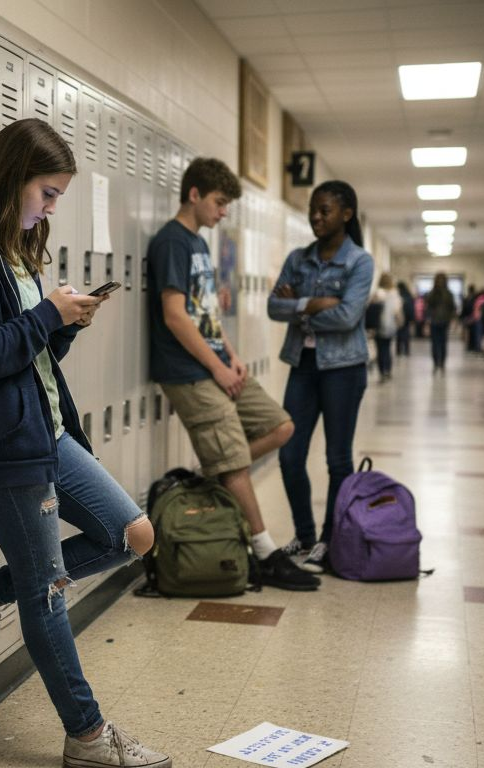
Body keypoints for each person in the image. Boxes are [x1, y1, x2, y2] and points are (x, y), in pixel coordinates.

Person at [0, 118, 170, 768]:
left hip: (46, 428)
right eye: (49, 192)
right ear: (14, 178)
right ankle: (87, 737)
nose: (52, 207)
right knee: (50, 588)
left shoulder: (15, 244)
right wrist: (45, 316)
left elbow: (27, 350)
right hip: (4, 443)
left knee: (131, 535)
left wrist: (65, 324)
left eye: (58, 196)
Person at [146, 157, 317, 592]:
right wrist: (218, 368)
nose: (223, 213)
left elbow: (207, 311)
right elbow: (175, 316)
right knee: (237, 460)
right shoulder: (172, 242)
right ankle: (265, 554)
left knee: (281, 427)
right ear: (194, 194)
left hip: (218, 361)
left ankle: (209, 476)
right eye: (220, 203)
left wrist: (234, 356)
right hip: (189, 371)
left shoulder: (200, 244)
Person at [268, 180, 375, 573]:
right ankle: (305, 534)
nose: (316, 216)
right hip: (304, 365)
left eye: (325, 210)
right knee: (290, 453)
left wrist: (296, 305)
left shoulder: (359, 262)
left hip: (343, 370)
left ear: (346, 214)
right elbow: (272, 307)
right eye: (313, 209)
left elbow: (349, 316)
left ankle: (330, 540)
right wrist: (314, 303)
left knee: (337, 458)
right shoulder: (299, 257)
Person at [372, 273, 403, 382]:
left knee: (380, 350)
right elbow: (397, 311)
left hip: (378, 325)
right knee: (388, 348)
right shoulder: (395, 294)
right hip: (391, 325)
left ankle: (382, 372)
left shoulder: (378, 293)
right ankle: (388, 370)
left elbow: (372, 309)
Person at [425, 273, 456, 375]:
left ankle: (440, 363)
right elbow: (428, 307)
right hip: (437, 321)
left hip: (441, 321)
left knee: (439, 343)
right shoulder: (435, 293)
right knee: (439, 343)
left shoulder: (445, 294)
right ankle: (438, 363)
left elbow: (452, 308)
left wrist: (452, 319)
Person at [395, 280, 415, 356]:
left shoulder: (398, 295)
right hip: (407, 317)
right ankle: (406, 350)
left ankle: (398, 351)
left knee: (399, 335)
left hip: (399, 317)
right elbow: (411, 308)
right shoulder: (408, 296)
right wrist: (412, 318)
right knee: (406, 334)